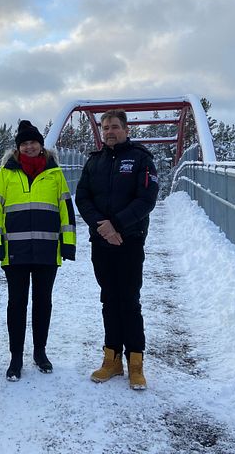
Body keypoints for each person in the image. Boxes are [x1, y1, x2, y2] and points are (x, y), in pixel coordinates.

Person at [75, 109, 159, 390]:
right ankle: (111, 359)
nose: (109, 131)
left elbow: (147, 199)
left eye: (114, 127)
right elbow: (82, 197)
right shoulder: (94, 162)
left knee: (129, 300)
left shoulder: (141, 159)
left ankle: (136, 363)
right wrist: (102, 226)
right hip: (101, 242)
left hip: (129, 241)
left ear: (125, 130)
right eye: (105, 127)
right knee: (108, 299)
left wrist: (116, 226)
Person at [0, 120, 76, 381]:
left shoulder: (55, 174)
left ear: (40, 144)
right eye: (24, 143)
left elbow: (66, 212)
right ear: (18, 147)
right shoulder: (6, 173)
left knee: (42, 302)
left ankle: (39, 351)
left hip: (47, 251)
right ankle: (16, 357)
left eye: (33, 142)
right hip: (15, 252)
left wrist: (68, 245)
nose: (29, 146)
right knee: (16, 304)